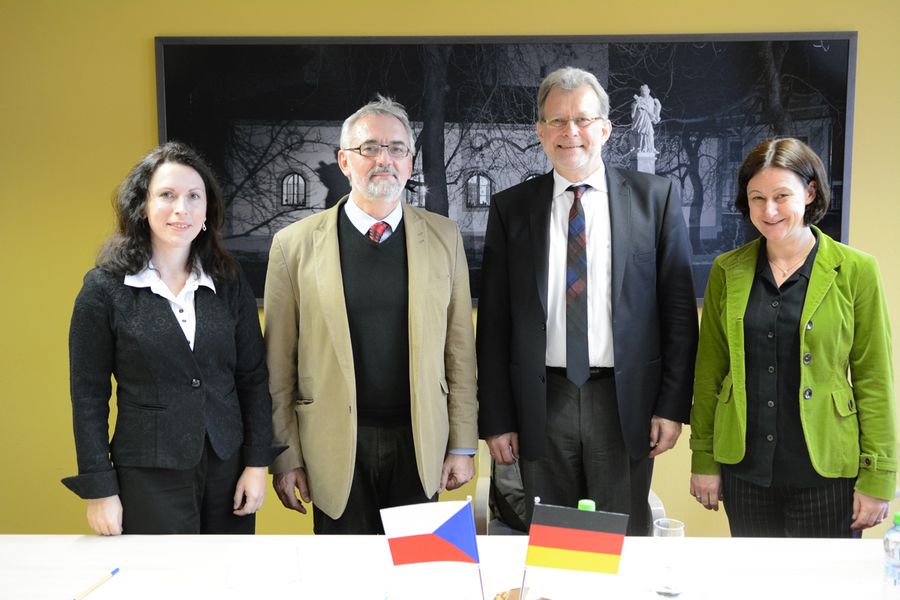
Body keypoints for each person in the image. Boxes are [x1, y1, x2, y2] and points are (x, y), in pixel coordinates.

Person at [477, 67, 698, 535]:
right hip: (542, 399)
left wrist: (672, 406)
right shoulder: (511, 209)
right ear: (540, 131)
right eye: (556, 121)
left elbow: (678, 315)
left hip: (624, 401)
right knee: (553, 544)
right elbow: (493, 324)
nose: (569, 131)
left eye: (582, 119)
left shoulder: (654, 199)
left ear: (605, 128)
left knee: (621, 541)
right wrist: (496, 419)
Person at [265, 95, 478, 534]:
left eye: (397, 148)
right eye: (370, 148)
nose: (385, 159)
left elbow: (460, 351)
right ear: (345, 161)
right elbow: (277, 366)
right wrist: (284, 455)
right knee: (343, 584)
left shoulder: (445, 238)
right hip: (332, 447)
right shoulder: (293, 245)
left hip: (422, 445)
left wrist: (463, 443)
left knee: (423, 579)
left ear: (410, 160)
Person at [63, 142, 283, 535]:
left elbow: (252, 378)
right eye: (167, 195)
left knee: (229, 584)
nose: (182, 208)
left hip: (227, 468)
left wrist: (256, 464)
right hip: (148, 472)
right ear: (141, 206)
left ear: (206, 212)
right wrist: (100, 489)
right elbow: (87, 396)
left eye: (194, 197)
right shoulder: (104, 289)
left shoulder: (229, 283)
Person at [690, 137, 896, 537]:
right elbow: (709, 372)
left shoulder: (856, 270)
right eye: (757, 198)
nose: (768, 210)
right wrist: (704, 458)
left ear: (810, 191)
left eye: (781, 195)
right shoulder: (726, 270)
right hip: (746, 473)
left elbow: (875, 379)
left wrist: (879, 477)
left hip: (827, 474)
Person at [630, 84, 662, 154]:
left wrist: (656, 111)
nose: (644, 92)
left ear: (648, 91)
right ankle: (640, 148)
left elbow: (653, 113)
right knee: (641, 134)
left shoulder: (651, 101)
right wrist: (636, 106)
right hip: (639, 121)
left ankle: (650, 148)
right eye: (642, 91)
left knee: (650, 133)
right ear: (641, 92)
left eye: (645, 91)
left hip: (647, 120)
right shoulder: (638, 100)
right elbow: (633, 115)